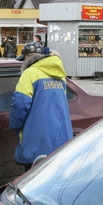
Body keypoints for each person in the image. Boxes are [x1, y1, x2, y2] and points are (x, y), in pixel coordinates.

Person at [10, 42, 73, 171]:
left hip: (38, 141)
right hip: (60, 139)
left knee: (33, 181)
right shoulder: (60, 76)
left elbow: (20, 104)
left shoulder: (30, 73)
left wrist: (15, 125)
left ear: (29, 57)